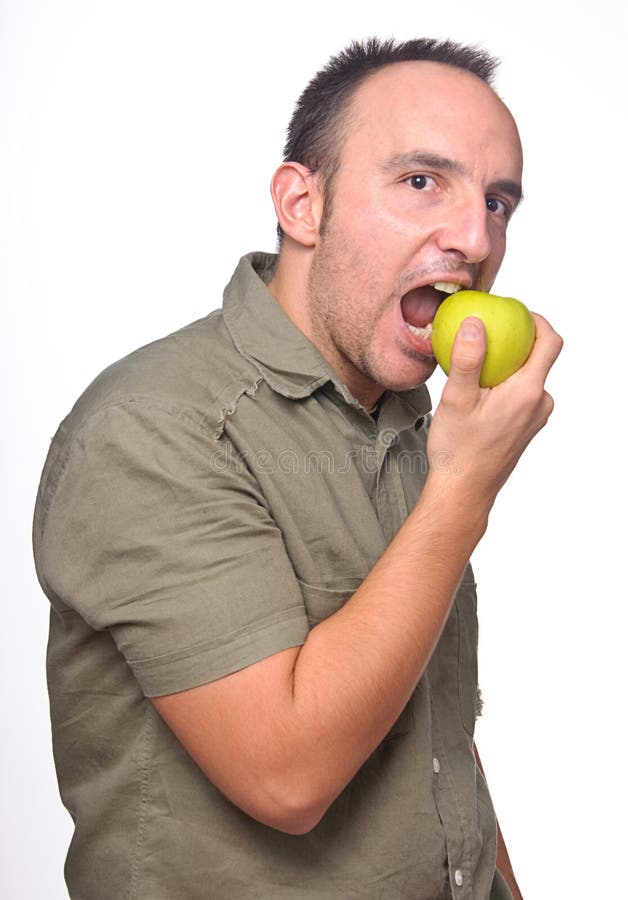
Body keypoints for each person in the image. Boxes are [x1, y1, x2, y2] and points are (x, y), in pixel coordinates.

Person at [33, 37, 562, 900]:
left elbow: (436, 733)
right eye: (421, 181)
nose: (475, 236)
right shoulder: (151, 429)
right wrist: (464, 492)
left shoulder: (405, 415)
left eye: (498, 201)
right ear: (302, 204)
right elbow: (286, 778)